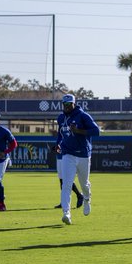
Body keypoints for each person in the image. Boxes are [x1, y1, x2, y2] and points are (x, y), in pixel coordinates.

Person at [55, 94, 99, 224]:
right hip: (68, 154)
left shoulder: (83, 116)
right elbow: (60, 133)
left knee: (84, 183)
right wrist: (58, 144)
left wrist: (79, 130)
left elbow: (96, 131)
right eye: (65, 104)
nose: (67, 107)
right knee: (66, 184)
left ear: (74, 104)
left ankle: (86, 198)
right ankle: (66, 213)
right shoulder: (61, 117)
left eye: (69, 104)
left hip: (83, 155)